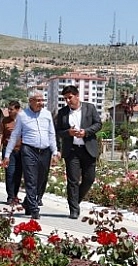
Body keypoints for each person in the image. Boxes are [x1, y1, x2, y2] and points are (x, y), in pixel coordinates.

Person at [2, 90, 60, 220]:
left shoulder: (47, 114)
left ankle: (27, 203)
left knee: (42, 180)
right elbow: (15, 135)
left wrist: (55, 151)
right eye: (38, 100)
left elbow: (51, 134)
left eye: (42, 100)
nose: (41, 103)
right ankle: (34, 209)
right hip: (29, 150)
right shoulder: (23, 116)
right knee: (31, 179)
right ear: (31, 101)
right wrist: (7, 154)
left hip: (45, 151)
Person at [55, 85, 102, 219]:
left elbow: (98, 124)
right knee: (73, 181)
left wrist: (85, 132)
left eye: (70, 97)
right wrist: (68, 132)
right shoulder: (63, 112)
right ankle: (74, 210)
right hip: (72, 151)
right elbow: (58, 132)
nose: (68, 101)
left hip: (88, 149)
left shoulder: (90, 108)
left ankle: (75, 201)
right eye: (65, 99)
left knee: (89, 179)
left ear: (77, 96)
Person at [0, 100, 23, 205]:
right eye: (8, 109)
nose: (9, 111)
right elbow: (0, 137)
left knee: (18, 174)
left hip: (21, 150)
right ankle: (10, 196)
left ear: (17, 109)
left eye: (11, 109)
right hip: (8, 151)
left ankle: (15, 195)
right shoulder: (4, 121)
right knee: (10, 173)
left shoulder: (23, 120)